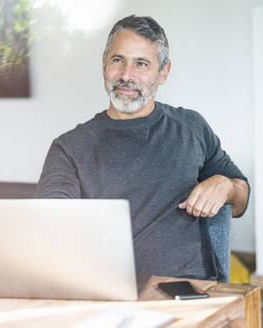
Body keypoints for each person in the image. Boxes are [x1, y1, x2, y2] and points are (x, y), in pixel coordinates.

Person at [35, 15, 250, 281]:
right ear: (104, 64)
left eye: (141, 64)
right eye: (118, 60)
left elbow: (241, 199)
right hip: (106, 289)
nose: (126, 75)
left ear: (164, 73)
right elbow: (50, 226)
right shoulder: (68, 147)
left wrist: (226, 186)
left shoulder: (192, 126)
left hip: (190, 290)